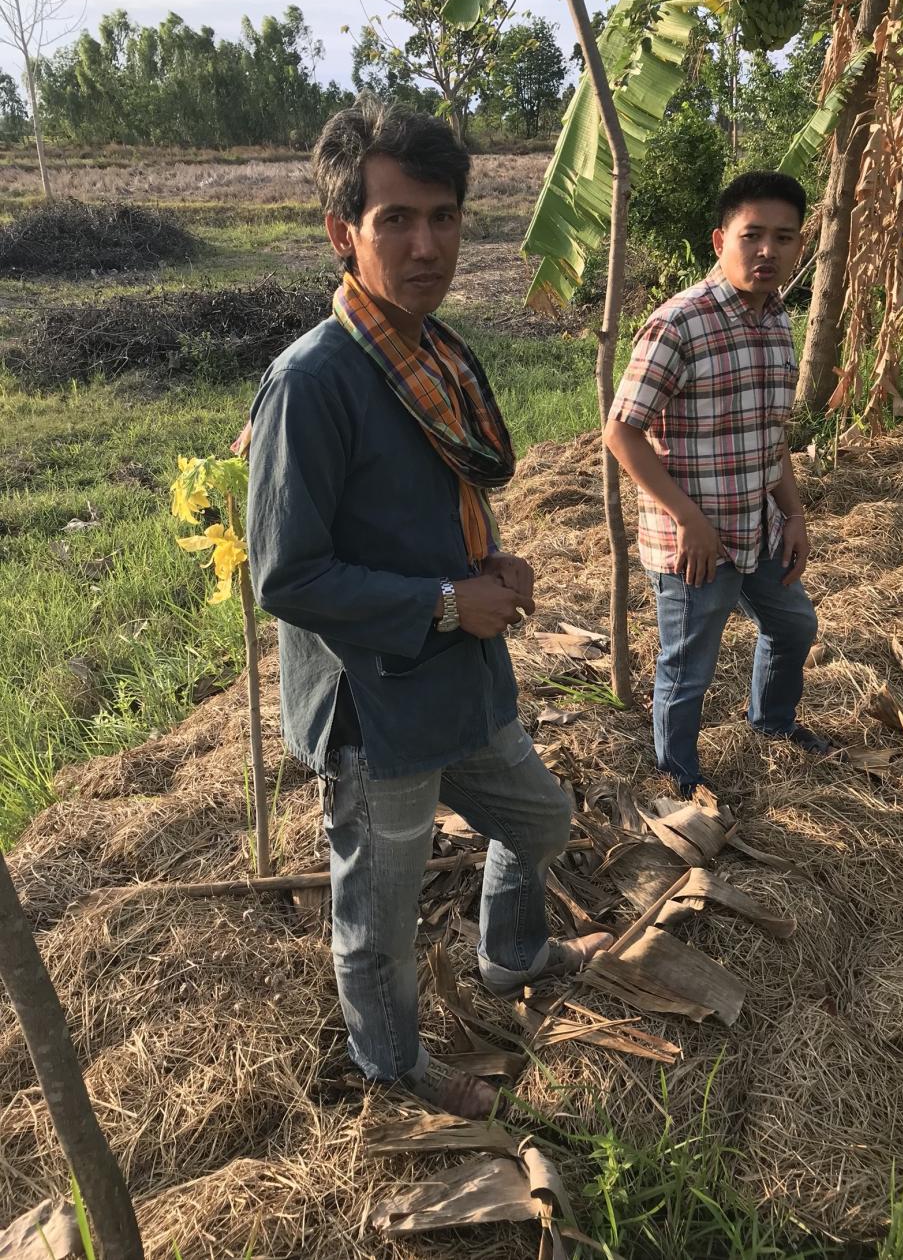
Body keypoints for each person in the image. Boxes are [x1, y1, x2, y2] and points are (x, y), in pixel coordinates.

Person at [245, 100, 610, 1120]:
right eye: (395, 219)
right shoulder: (312, 383)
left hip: (460, 677)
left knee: (540, 818)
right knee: (380, 914)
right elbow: (287, 576)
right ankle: (393, 1067)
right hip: (378, 707)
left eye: (443, 217)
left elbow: (428, 503)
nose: (426, 245)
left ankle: (512, 952)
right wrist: (450, 601)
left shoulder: (436, 354)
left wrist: (485, 561)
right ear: (343, 231)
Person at [604, 170, 830, 799]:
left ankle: (773, 722)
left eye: (783, 237)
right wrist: (689, 520)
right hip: (695, 544)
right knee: (688, 669)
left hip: (758, 528)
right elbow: (621, 432)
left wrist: (795, 515)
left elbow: (769, 435)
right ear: (719, 240)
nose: (767, 250)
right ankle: (678, 779)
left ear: (799, 245)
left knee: (794, 626)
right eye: (751, 235)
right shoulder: (680, 324)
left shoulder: (776, 321)